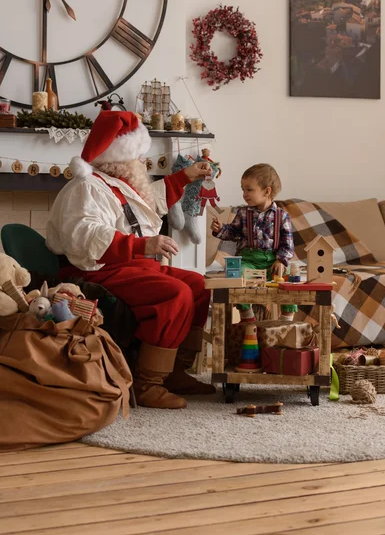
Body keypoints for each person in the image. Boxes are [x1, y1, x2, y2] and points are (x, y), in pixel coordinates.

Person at [46, 110, 215, 410]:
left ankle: (175, 370)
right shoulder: (87, 187)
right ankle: (148, 382)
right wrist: (143, 244)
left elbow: (152, 202)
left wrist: (186, 176)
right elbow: (84, 234)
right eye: (136, 157)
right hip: (99, 270)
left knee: (198, 285)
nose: (140, 163)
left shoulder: (117, 183)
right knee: (175, 294)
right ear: (117, 158)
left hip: (133, 266)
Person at [211, 163, 296, 322]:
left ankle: (286, 319)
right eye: (242, 189)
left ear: (267, 191)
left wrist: (281, 260)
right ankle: (247, 317)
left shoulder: (281, 216)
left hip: (272, 261)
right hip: (248, 260)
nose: (244, 194)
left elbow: (287, 243)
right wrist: (220, 229)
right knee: (237, 275)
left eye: (249, 189)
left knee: (290, 276)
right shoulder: (243, 213)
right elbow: (233, 232)